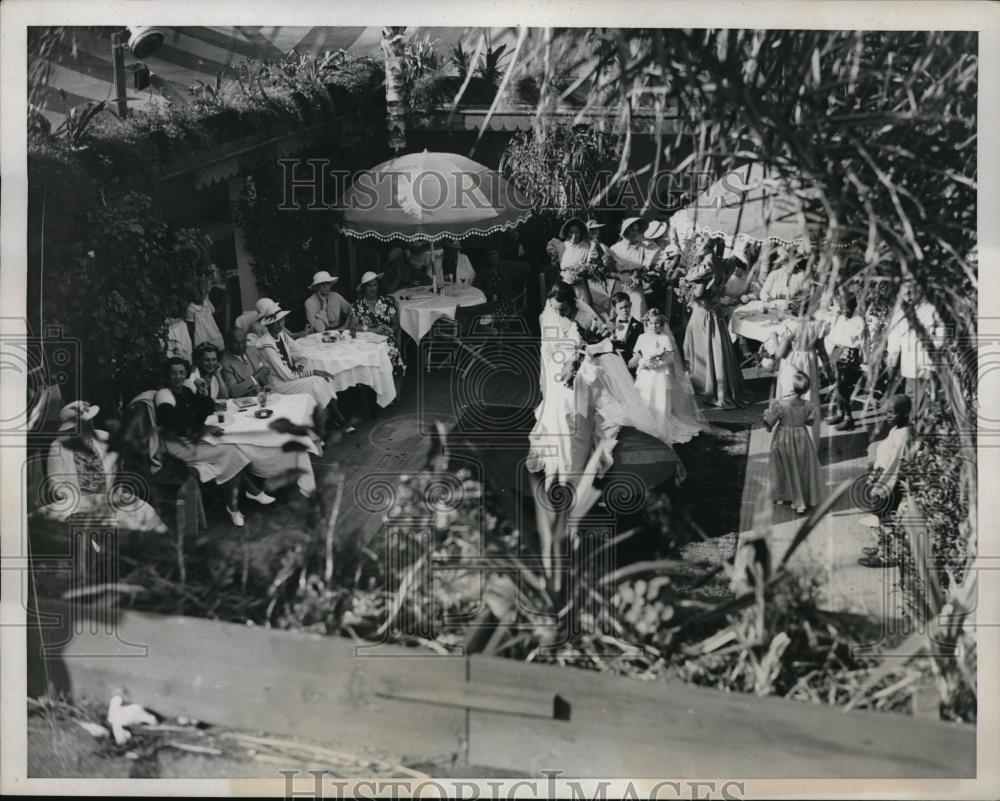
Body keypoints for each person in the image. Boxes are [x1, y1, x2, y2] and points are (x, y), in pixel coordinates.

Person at [155, 357, 269, 527]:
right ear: (166, 375)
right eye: (173, 373)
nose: (178, 377)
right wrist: (203, 430)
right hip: (176, 447)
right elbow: (172, 424)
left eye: (181, 373)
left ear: (186, 374)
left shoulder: (185, 390)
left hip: (190, 440)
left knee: (231, 449)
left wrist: (202, 393)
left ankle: (237, 504)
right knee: (230, 451)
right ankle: (245, 496)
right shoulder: (164, 395)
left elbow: (206, 410)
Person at [45, 401, 166, 530]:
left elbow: (117, 470)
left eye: (88, 423)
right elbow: (56, 482)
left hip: (109, 499)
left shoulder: (103, 436)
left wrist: (112, 496)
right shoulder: (58, 446)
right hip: (76, 502)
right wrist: (81, 503)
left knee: (141, 518)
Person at [252, 303, 350, 435]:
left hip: (291, 376)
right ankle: (334, 422)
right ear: (269, 325)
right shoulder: (266, 345)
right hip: (279, 384)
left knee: (320, 381)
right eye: (276, 322)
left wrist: (300, 365)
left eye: (282, 320)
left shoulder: (282, 335)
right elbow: (286, 376)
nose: (280, 325)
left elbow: (301, 351)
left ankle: (334, 421)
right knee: (314, 382)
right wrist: (313, 372)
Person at [682, 241, 752, 409]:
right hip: (715, 310)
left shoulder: (705, 267)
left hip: (702, 311)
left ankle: (706, 386)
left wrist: (688, 292)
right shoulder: (722, 262)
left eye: (698, 244)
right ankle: (717, 384)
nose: (696, 248)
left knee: (701, 347)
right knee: (715, 346)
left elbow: (698, 293)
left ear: (706, 247)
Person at [630, 310, 706, 445]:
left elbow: (670, 357)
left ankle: (660, 425)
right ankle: (647, 425)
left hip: (660, 373)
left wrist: (656, 363)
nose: (654, 326)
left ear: (661, 324)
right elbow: (638, 352)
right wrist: (640, 360)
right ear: (646, 323)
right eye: (651, 323)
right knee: (645, 398)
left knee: (659, 399)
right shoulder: (642, 337)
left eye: (657, 323)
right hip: (645, 373)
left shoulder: (665, 338)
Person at [857, 394, 913, 568]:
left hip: (890, 483)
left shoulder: (903, 436)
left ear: (905, 413)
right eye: (887, 412)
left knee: (887, 517)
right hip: (885, 479)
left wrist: (881, 485)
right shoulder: (897, 428)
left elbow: (894, 465)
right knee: (882, 517)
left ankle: (886, 555)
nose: (888, 416)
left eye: (892, 413)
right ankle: (882, 546)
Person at [762, 370, 824, 515]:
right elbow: (810, 422)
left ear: (790, 387)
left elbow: (770, 423)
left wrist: (767, 416)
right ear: (806, 389)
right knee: (800, 468)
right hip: (802, 439)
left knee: (782, 466)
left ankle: (782, 495)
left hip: (783, 439)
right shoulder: (810, 405)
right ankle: (800, 498)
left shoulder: (780, 405)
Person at [771, 291, 830, 446]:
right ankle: (809, 442)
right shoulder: (818, 325)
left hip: (792, 365)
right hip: (809, 364)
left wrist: (773, 338)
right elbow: (822, 352)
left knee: (789, 399)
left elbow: (780, 354)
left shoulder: (791, 326)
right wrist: (829, 372)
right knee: (809, 399)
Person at [886, 280, 945, 406]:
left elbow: (942, 334)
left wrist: (930, 365)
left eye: (910, 289)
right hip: (908, 368)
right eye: (904, 290)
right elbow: (894, 340)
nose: (908, 293)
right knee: (910, 403)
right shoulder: (898, 313)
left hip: (926, 367)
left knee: (926, 404)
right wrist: (891, 363)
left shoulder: (930, 308)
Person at [824, 291, 867, 431]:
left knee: (843, 387)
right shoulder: (840, 318)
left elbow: (863, 343)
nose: (844, 311)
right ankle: (840, 413)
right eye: (842, 307)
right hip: (836, 351)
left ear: (853, 306)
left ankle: (849, 419)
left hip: (848, 354)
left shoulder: (859, 321)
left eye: (847, 308)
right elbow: (832, 336)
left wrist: (864, 361)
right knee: (835, 385)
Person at [352, 271, 405, 378]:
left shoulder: (387, 302)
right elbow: (355, 326)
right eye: (369, 286)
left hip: (386, 337)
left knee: (391, 352)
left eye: (374, 285)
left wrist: (390, 330)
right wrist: (373, 330)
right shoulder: (358, 304)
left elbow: (396, 324)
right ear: (364, 288)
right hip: (366, 339)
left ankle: (393, 379)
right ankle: (370, 382)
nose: (372, 289)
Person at [608, 217, 655, 321]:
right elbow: (610, 271)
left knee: (638, 312)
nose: (635, 233)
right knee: (618, 313)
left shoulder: (643, 247)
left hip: (635, 285)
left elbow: (646, 266)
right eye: (632, 230)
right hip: (619, 285)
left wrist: (637, 275)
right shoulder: (615, 248)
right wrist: (622, 277)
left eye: (637, 230)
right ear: (625, 230)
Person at [220, 326, 271, 398]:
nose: (240, 346)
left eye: (243, 342)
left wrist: (267, 389)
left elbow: (266, 376)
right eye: (235, 343)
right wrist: (256, 376)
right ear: (228, 343)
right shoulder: (225, 362)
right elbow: (234, 392)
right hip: (245, 400)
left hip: (264, 395)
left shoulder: (252, 350)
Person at [556, 217, 596, 307]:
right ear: (567, 232)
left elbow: (591, 269)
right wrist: (564, 276)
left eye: (576, 232)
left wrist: (580, 276)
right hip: (565, 286)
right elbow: (557, 268)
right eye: (571, 232)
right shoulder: (560, 247)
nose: (574, 236)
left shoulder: (587, 247)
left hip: (581, 287)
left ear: (581, 232)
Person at [185, 278, 225, 352]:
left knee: (219, 349)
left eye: (201, 292)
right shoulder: (191, 309)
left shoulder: (207, 302)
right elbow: (191, 328)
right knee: (204, 352)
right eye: (196, 293)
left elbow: (215, 313)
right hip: (200, 337)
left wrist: (223, 302)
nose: (198, 295)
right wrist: (192, 342)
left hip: (213, 333)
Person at [607, 292, 644, 370]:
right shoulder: (609, 324)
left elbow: (645, 345)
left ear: (630, 305)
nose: (624, 310)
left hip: (629, 363)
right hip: (611, 362)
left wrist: (637, 356)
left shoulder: (639, 326)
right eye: (621, 308)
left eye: (626, 306)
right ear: (615, 309)